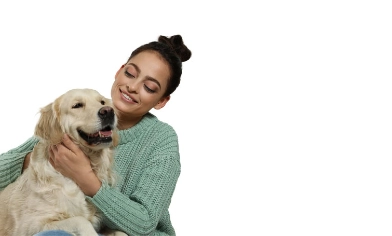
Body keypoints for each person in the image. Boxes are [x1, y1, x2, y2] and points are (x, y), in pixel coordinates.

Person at [0, 34, 192, 236]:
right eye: (130, 73)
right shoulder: (80, 116)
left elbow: (144, 223)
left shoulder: (161, 140)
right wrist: (39, 159)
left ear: (161, 101)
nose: (132, 87)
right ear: (119, 71)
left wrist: (86, 179)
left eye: (149, 87)